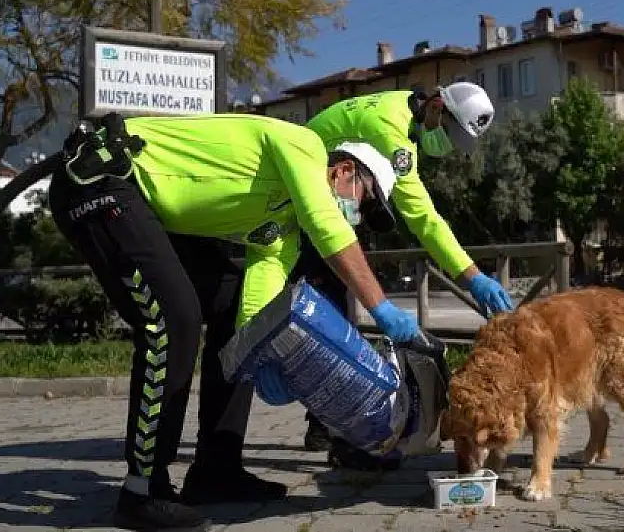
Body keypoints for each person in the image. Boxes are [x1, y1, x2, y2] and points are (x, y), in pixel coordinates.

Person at [47, 112, 419, 532]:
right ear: (344, 169)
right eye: (364, 201)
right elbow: (327, 224)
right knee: (174, 319)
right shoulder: (303, 147)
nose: (357, 215)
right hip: (102, 177)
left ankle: (215, 470)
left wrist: (260, 359)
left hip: (142, 203)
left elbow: (256, 310)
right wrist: (381, 307)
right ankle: (141, 490)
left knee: (229, 303)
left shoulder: (281, 231)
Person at [294, 81, 514, 461]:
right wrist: (471, 275)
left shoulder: (403, 120)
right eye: (448, 133)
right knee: (335, 317)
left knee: (339, 311)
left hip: (328, 196)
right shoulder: (392, 132)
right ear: (435, 107)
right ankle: (341, 432)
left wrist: (471, 275)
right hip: (309, 202)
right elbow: (425, 220)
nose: (447, 145)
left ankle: (325, 426)